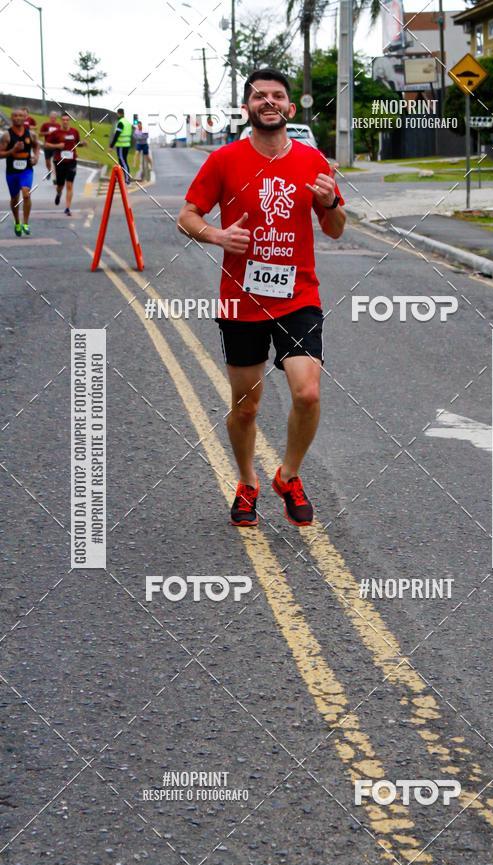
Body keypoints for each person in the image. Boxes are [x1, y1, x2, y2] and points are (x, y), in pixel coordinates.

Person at [178, 68, 345, 527]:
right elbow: (186, 216)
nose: (268, 102)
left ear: (290, 109)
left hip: (298, 296)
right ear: (247, 108)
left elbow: (334, 231)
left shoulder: (314, 162)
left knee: (307, 392)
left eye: (277, 96)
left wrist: (330, 204)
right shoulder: (225, 160)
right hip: (241, 299)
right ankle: (248, 481)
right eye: (259, 96)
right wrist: (215, 234)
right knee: (246, 406)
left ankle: (288, 476)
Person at [0, 108, 39, 236]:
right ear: (11, 118)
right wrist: (13, 151)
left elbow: (36, 146)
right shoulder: (7, 135)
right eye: (15, 116)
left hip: (26, 170)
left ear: (25, 118)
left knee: (26, 194)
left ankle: (26, 223)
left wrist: (36, 157)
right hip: (12, 172)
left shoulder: (31, 134)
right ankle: (17, 221)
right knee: (14, 198)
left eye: (20, 116)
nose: (17, 118)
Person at [46, 113, 86, 216]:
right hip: (59, 161)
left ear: (69, 121)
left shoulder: (74, 132)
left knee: (69, 185)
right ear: (61, 121)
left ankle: (67, 208)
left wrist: (83, 144)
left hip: (72, 161)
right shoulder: (56, 133)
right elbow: (46, 144)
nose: (65, 121)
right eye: (63, 120)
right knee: (60, 185)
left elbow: (77, 143)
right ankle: (59, 193)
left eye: (67, 120)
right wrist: (57, 145)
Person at [110, 108, 133, 184]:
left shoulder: (120, 123)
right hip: (126, 145)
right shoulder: (127, 122)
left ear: (119, 113)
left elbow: (117, 135)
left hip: (121, 146)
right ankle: (124, 177)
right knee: (123, 161)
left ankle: (127, 179)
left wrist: (111, 145)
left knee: (122, 161)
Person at [39, 110, 61, 180]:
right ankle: (49, 171)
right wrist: (48, 133)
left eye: (54, 118)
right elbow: (40, 134)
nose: (53, 119)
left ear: (56, 118)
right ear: (50, 117)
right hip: (47, 146)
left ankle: (55, 178)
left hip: (56, 146)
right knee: (47, 162)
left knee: (55, 161)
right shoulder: (45, 125)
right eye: (52, 117)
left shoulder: (59, 126)